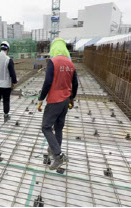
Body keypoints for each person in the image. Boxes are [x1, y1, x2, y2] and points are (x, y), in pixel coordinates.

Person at [37, 37, 78, 170]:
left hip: (55, 100)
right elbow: (75, 84)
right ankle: (54, 150)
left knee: (46, 127)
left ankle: (58, 155)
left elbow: (48, 82)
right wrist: (72, 98)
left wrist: (41, 99)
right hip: (66, 100)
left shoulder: (53, 62)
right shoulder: (71, 64)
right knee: (58, 128)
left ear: (53, 48)